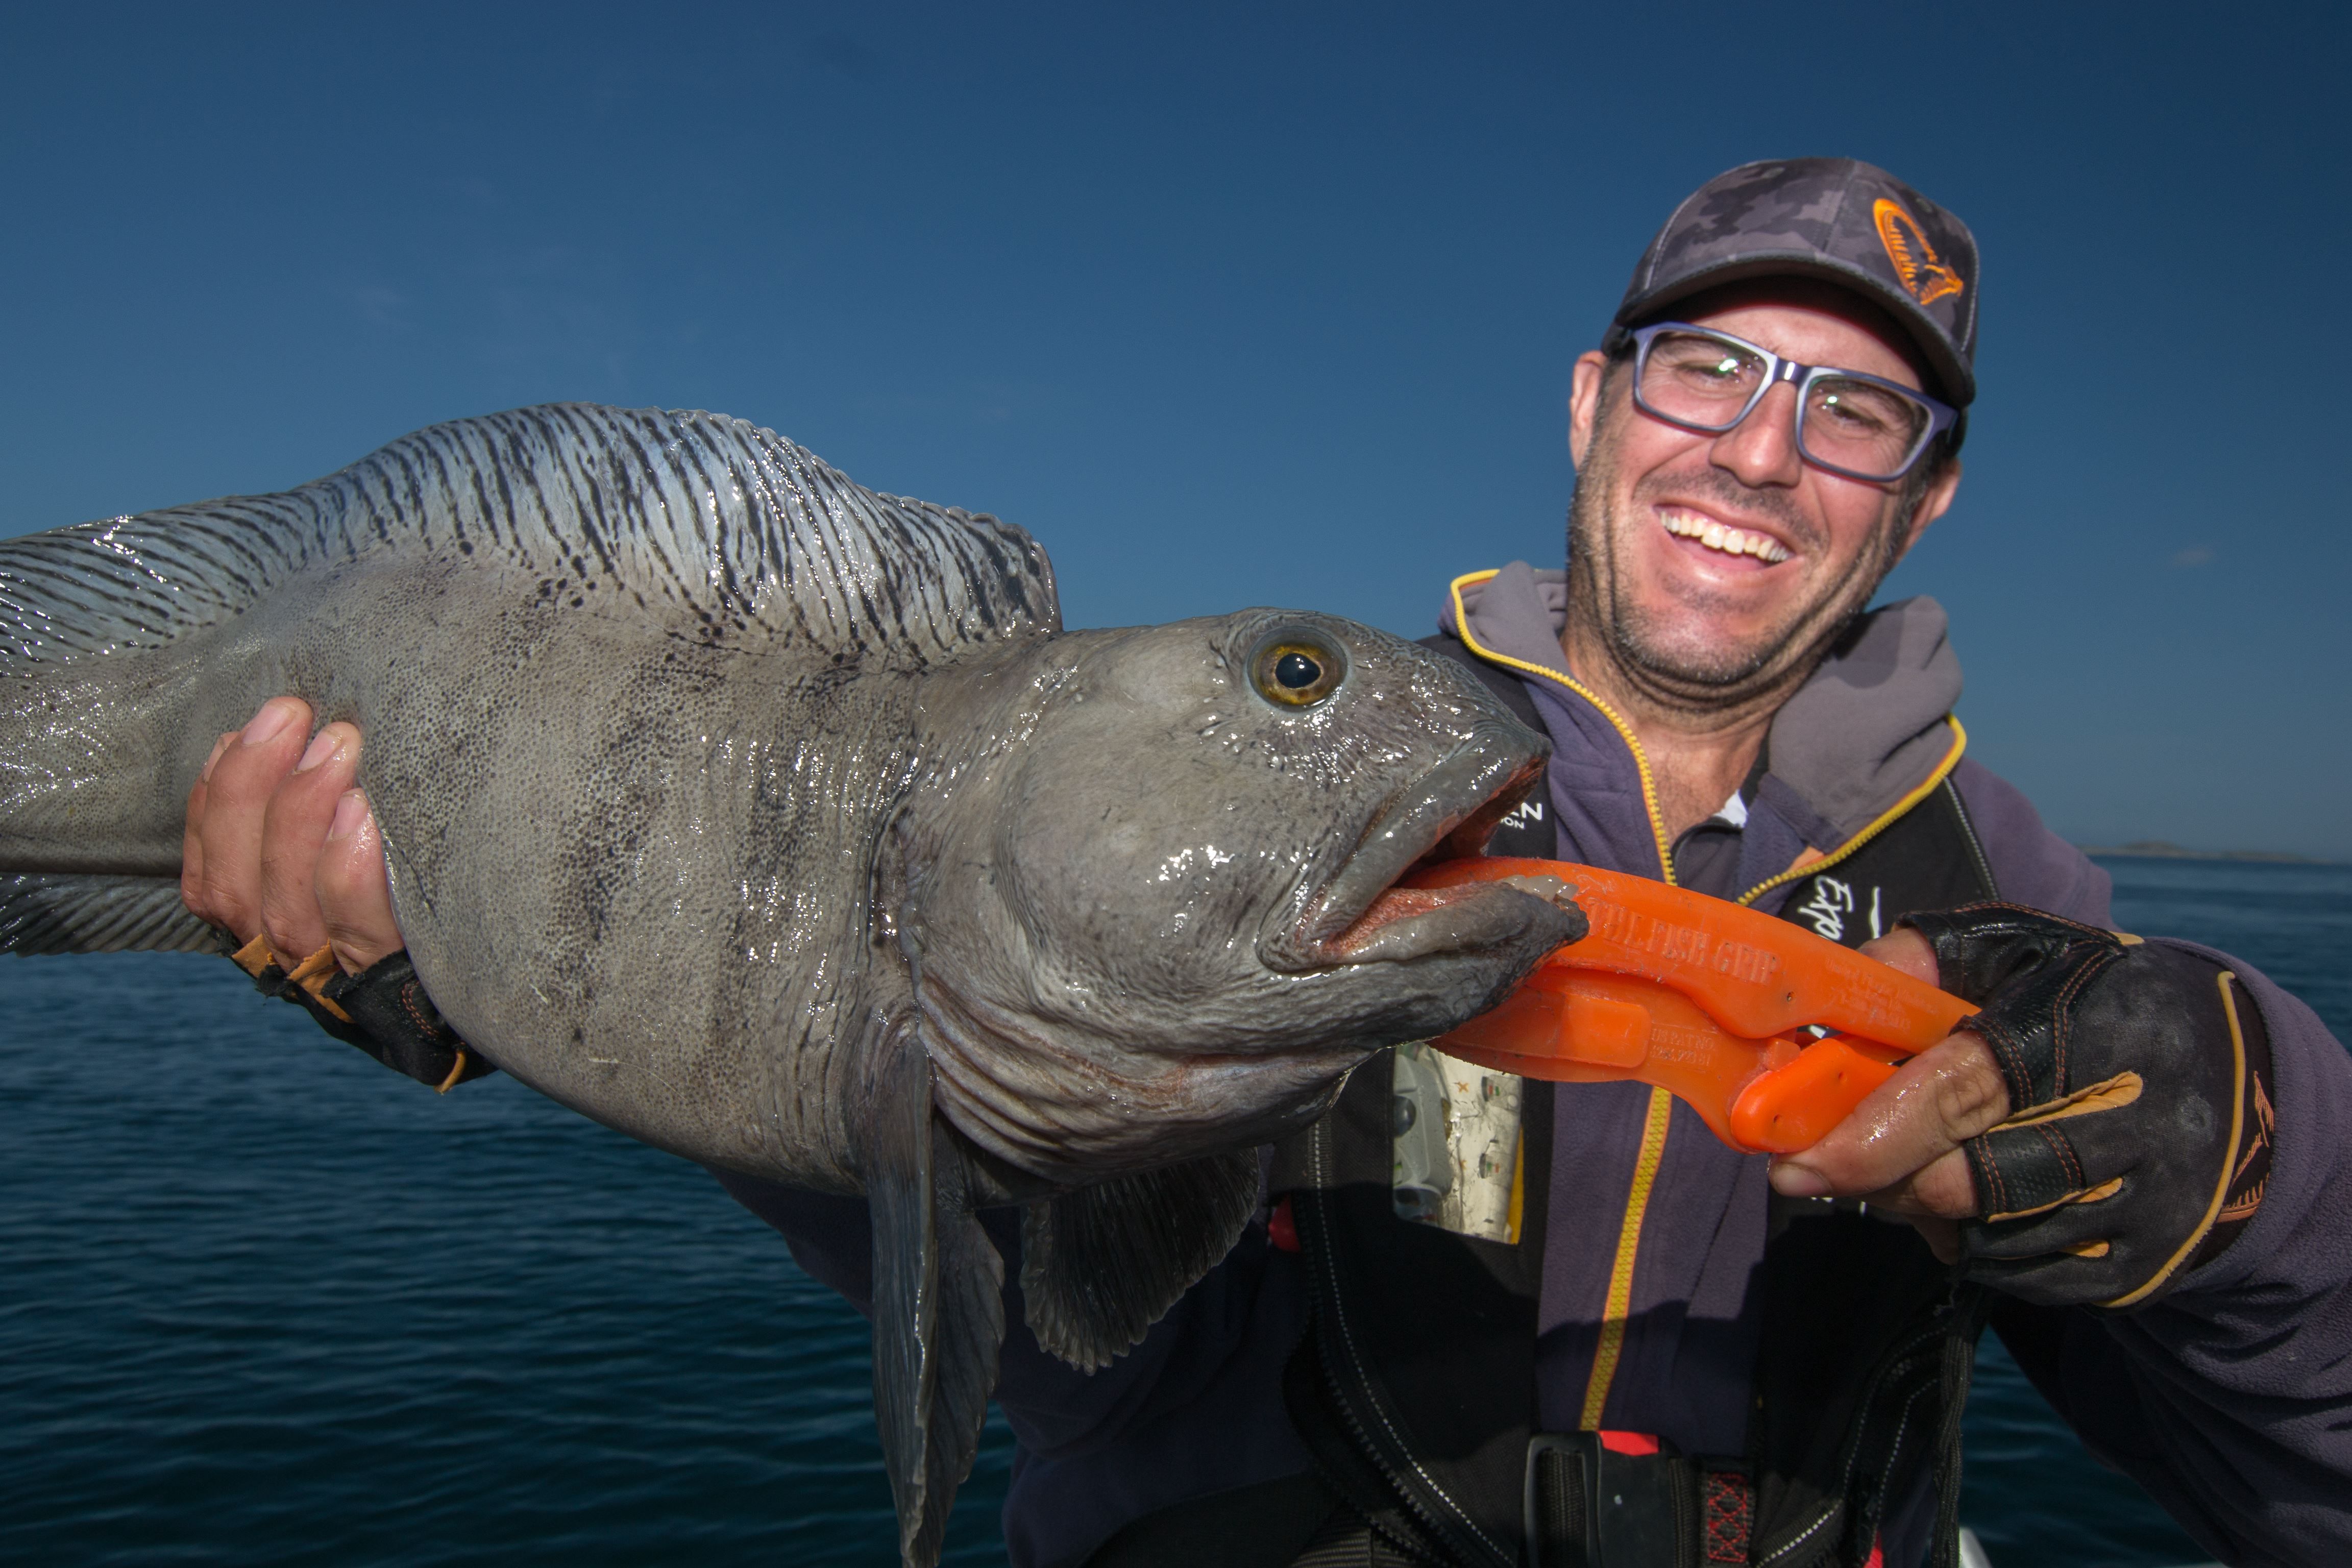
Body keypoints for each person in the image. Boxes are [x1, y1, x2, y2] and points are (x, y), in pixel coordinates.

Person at [182, 160, 2352, 1567]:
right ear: (1600, 403)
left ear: (1928, 498)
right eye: (1711, 370)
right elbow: (1088, 1366)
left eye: (1857, 412)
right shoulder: (1257, 774)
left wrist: (2255, 1183)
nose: (1764, 451)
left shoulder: (2022, 896)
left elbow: (2297, 1480)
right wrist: (487, 955)